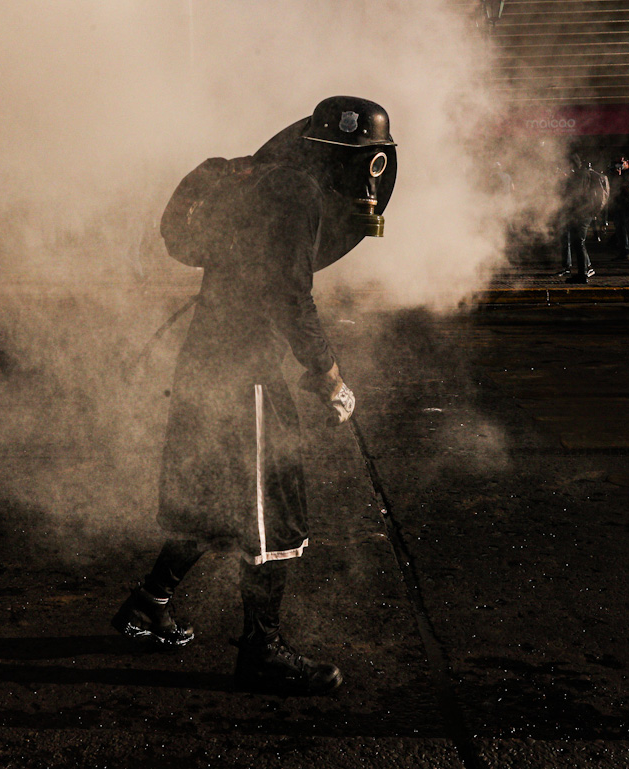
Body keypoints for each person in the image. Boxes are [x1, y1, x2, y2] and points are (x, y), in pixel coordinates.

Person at [112, 96, 397, 696]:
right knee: (277, 510)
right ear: (350, 158)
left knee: (213, 497)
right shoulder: (298, 194)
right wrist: (329, 374)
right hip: (247, 376)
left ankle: (147, 603)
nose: (372, 178)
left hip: (210, 363)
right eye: (371, 162)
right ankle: (261, 650)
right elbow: (291, 294)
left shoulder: (262, 180)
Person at [559, 155, 599, 283]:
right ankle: (584, 272)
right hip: (586, 213)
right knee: (579, 243)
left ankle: (583, 274)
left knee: (579, 243)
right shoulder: (585, 174)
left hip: (581, 213)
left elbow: (574, 195)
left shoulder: (577, 176)